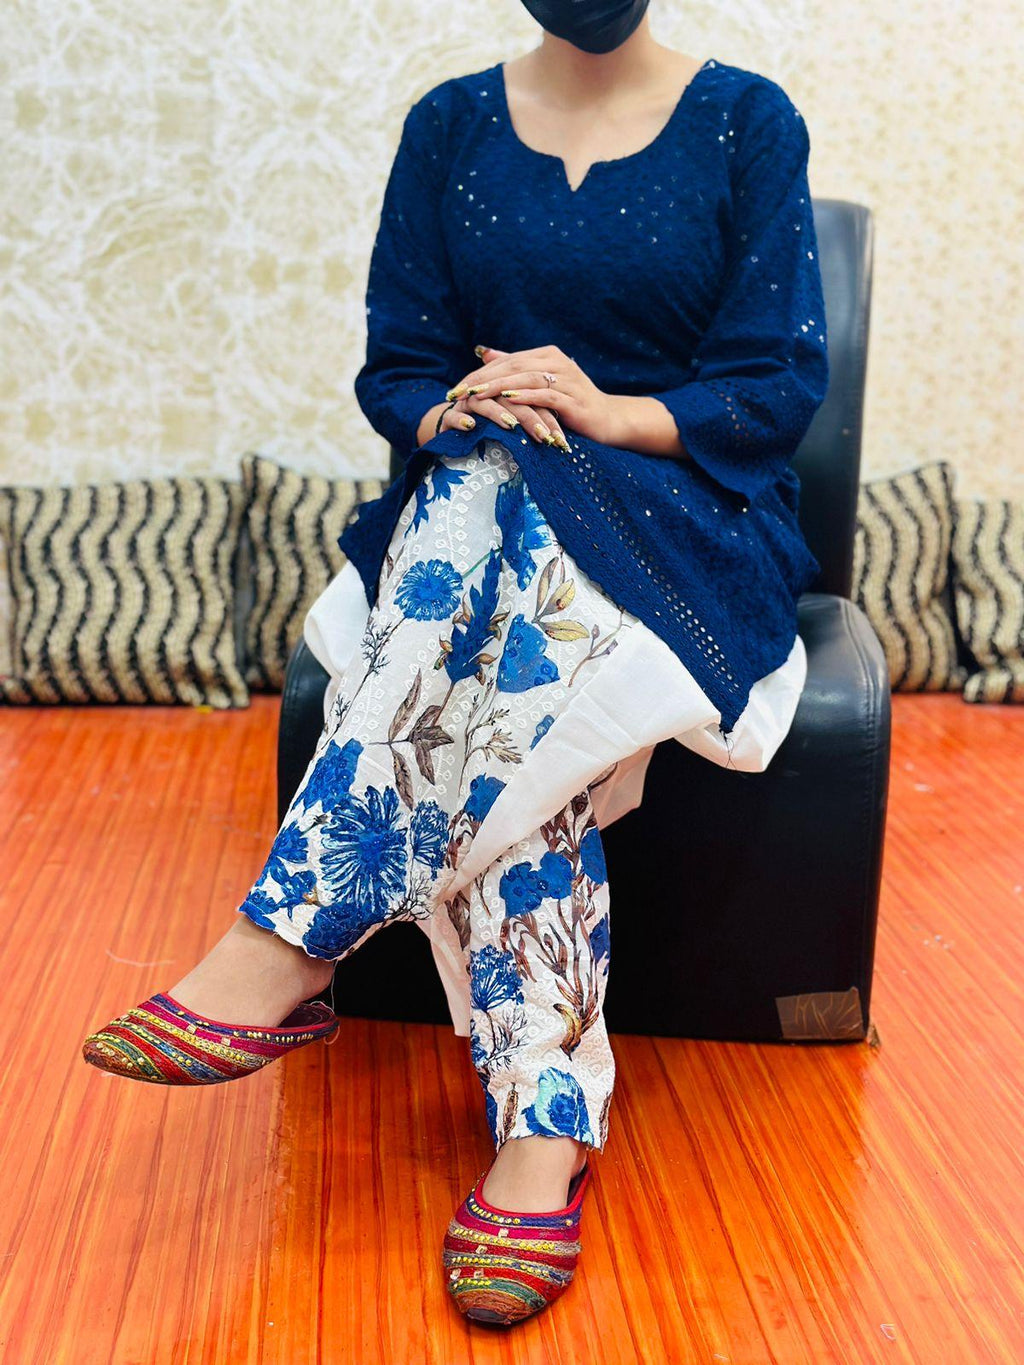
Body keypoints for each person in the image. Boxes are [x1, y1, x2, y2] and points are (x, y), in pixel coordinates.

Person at [81, 0, 829, 1331]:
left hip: (684, 518)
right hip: (480, 506)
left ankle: (292, 932)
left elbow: (774, 387)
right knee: (492, 546)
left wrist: (600, 410)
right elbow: (401, 368)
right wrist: (460, 407)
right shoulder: (450, 126)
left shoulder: (746, 122)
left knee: (498, 559)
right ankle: (545, 1129)